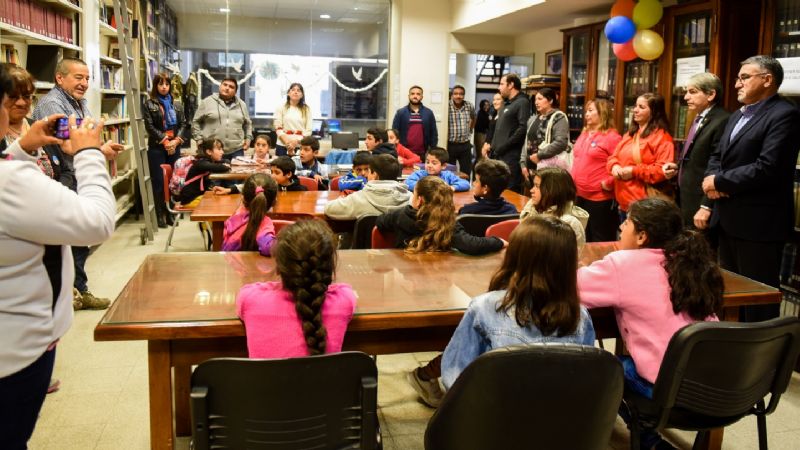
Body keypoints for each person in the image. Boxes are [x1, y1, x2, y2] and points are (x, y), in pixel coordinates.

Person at [0, 63, 116, 448]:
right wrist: (88, 156)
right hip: (17, 348)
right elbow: (98, 222)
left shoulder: (9, 170)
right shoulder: (10, 183)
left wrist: (20, 148)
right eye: (9, 100)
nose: (18, 106)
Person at [578, 198, 723, 449]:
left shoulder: (622, 264)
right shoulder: (695, 262)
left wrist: (583, 268)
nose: (621, 228)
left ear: (642, 236)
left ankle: (648, 441)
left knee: (600, 367)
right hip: (720, 389)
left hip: (668, 393)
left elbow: (568, 288)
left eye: (627, 223)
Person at [407, 216, 596, 407]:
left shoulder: (485, 308)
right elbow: (584, 380)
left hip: (494, 425)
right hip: (560, 426)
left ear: (515, 257)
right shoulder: (580, 317)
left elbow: (454, 378)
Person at [701, 55, 800, 321]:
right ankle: (734, 352)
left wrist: (720, 182)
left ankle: (761, 359)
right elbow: (717, 156)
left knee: (758, 301)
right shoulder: (736, 116)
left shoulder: (785, 115)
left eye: (744, 77)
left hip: (759, 224)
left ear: (767, 80)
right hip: (728, 218)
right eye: (737, 78)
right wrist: (712, 181)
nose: (736, 84)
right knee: (732, 295)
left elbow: (769, 166)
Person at [33, 57, 124, 311]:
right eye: (78, 77)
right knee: (74, 239)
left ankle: (77, 289)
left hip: (76, 173)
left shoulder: (79, 103)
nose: (84, 83)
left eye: (87, 78)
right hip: (63, 177)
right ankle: (76, 292)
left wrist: (100, 148)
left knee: (78, 242)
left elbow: (83, 141)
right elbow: (66, 146)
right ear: (59, 78)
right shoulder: (54, 104)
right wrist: (92, 151)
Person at [236, 219, 357, 358]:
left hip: (266, 380)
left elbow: (248, 291)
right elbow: (345, 290)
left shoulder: (250, 300)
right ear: (329, 266)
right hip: (323, 381)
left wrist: (275, 285)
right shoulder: (344, 301)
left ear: (279, 265)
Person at [662, 73, 730, 230]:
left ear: (711, 94)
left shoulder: (723, 120)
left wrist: (706, 206)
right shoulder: (699, 118)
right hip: (685, 198)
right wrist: (677, 167)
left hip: (702, 202)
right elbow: (699, 156)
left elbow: (719, 164)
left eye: (692, 92)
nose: (686, 97)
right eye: (686, 91)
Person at [377, 176, 505, 254]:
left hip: (406, 272)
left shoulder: (400, 216)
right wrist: (498, 241)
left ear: (420, 200)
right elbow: (471, 245)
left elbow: (380, 221)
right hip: (438, 275)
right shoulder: (448, 223)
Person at [607, 93, 674, 216]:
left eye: (642, 107)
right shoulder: (630, 134)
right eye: (635, 106)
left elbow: (663, 170)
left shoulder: (662, 137)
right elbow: (613, 157)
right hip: (623, 201)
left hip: (644, 205)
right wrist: (614, 166)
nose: (635, 110)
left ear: (654, 112)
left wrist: (634, 171)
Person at [571, 98, 622, 242]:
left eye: (591, 110)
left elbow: (620, 164)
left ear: (602, 113)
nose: (586, 114)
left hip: (600, 197)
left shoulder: (612, 137)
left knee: (599, 237)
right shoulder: (585, 134)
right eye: (586, 111)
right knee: (582, 236)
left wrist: (608, 183)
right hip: (579, 194)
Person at [143, 72, 188, 228]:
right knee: (159, 182)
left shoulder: (177, 105)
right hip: (157, 147)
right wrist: (165, 141)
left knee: (172, 181)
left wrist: (175, 141)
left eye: (166, 84)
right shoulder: (149, 104)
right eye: (160, 84)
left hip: (174, 146)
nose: (164, 87)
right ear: (156, 86)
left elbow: (183, 124)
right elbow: (149, 126)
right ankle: (160, 214)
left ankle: (170, 213)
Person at [0, 65, 57, 180]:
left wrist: (58, 192)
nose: (21, 103)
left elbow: (65, 170)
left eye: (26, 96)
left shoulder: (39, 126)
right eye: (13, 97)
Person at [520, 167, 589, 252]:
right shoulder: (533, 207)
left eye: (537, 186)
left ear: (553, 190)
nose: (531, 190)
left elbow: (569, 259)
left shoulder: (570, 223)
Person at [324, 154, 411, 220]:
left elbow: (328, 209)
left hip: (364, 244)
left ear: (374, 174)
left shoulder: (359, 199)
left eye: (368, 171)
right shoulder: (411, 198)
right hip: (402, 244)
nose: (364, 174)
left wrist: (341, 198)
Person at [487, 74, 530, 191]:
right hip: (498, 156)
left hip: (510, 157)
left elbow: (522, 129)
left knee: (509, 193)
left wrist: (503, 147)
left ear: (511, 85)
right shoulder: (506, 104)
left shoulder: (522, 102)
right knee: (497, 190)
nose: (499, 87)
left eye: (501, 84)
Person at [191, 77, 253, 159]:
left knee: (236, 172)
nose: (227, 88)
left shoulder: (242, 105)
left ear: (235, 92)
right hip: (212, 149)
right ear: (220, 86)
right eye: (225, 85)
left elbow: (248, 124)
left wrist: (248, 138)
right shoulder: (207, 102)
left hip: (236, 150)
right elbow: (195, 122)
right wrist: (198, 139)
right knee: (211, 172)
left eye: (231, 87)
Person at [520, 87, 570, 186]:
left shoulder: (558, 117)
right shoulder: (533, 119)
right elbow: (526, 142)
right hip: (531, 167)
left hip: (549, 169)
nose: (536, 102)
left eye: (540, 99)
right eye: (535, 99)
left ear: (550, 100)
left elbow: (561, 143)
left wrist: (539, 155)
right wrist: (523, 163)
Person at [222, 173, 278, 256]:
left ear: (243, 198)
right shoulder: (264, 222)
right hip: (248, 267)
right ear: (274, 202)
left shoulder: (235, 218)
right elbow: (267, 248)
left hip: (228, 266)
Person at [178, 138, 232, 207]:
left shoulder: (209, 160)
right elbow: (220, 167)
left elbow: (226, 161)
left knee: (224, 198)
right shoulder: (201, 163)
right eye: (219, 149)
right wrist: (226, 166)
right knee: (222, 203)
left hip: (199, 196)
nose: (222, 152)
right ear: (209, 152)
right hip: (191, 199)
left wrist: (225, 164)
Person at [391, 85, 438, 158]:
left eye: (418, 94)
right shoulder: (400, 112)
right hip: (404, 152)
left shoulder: (428, 113)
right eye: (412, 94)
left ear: (422, 97)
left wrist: (432, 150)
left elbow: (434, 133)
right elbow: (394, 132)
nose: (415, 96)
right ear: (408, 96)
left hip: (423, 153)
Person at [273, 83, 312, 156]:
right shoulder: (281, 107)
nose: (296, 92)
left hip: (300, 146)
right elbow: (278, 127)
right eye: (293, 90)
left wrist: (296, 142)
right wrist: (287, 142)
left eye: (298, 90)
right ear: (288, 93)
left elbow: (308, 131)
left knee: (298, 167)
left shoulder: (306, 109)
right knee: (281, 167)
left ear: (302, 95)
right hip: (282, 145)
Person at [405, 147, 469, 192]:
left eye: (434, 163)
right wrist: (429, 187)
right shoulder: (419, 174)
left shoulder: (447, 175)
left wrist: (451, 188)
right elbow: (408, 183)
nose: (429, 165)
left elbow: (466, 183)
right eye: (427, 162)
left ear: (443, 166)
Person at [447, 84, 476, 177]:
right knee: (450, 171)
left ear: (464, 95)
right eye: (455, 94)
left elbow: (474, 117)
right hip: (451, 145)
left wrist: (470, 129)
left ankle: (466, 188)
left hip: (465, 145)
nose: (458, 96)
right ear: (452, 95)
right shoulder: (447, 106)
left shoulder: (469, 105)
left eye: (461, 94)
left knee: (466, 171)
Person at [479, 92, 503, 160]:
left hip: (496, 150)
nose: (495, 102)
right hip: (489, 147)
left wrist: (489, 146)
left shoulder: (504, 116)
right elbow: (490, 131)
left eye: (498, 99)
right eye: (494, 100)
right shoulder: (494, 114)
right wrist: (485, 144)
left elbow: (499, 135)